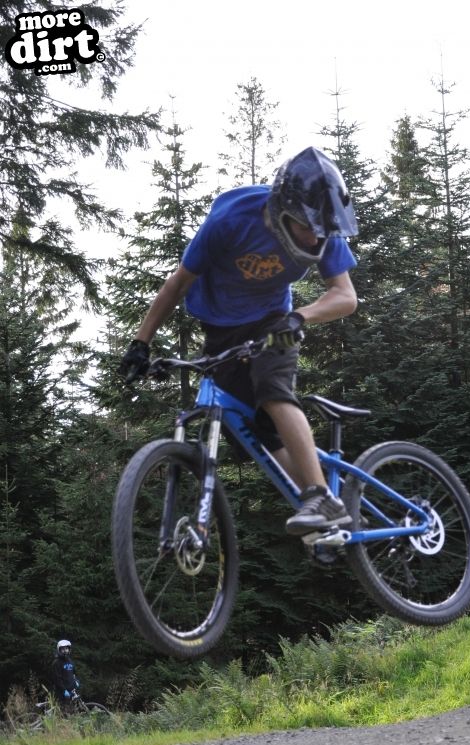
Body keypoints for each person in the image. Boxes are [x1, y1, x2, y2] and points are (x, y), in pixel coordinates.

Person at [118, 146, 359, 535]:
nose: (316, 240)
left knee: (272, 389)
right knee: (250, 431)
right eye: (307, 228)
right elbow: (178, 283)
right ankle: (324, 521)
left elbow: (346, 297)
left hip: (272, 322)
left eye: (322, 231)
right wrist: (141, 342)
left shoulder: (324, 227)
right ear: (283, 210)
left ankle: (320, 497)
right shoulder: (232, 219)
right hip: (219, 329)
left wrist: (298, 317)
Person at [52, 639, 80, 705]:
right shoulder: (56, 663)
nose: (65, 651)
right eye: (63, 649)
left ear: (69, 649)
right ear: (59, 650)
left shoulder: (70, 661)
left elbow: (74, 673)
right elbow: (57, 678)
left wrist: (76, 681)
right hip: (61, 692)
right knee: (62, 711)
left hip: (71, 690)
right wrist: (64, 690)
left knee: (71, 709)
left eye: (66, 649)